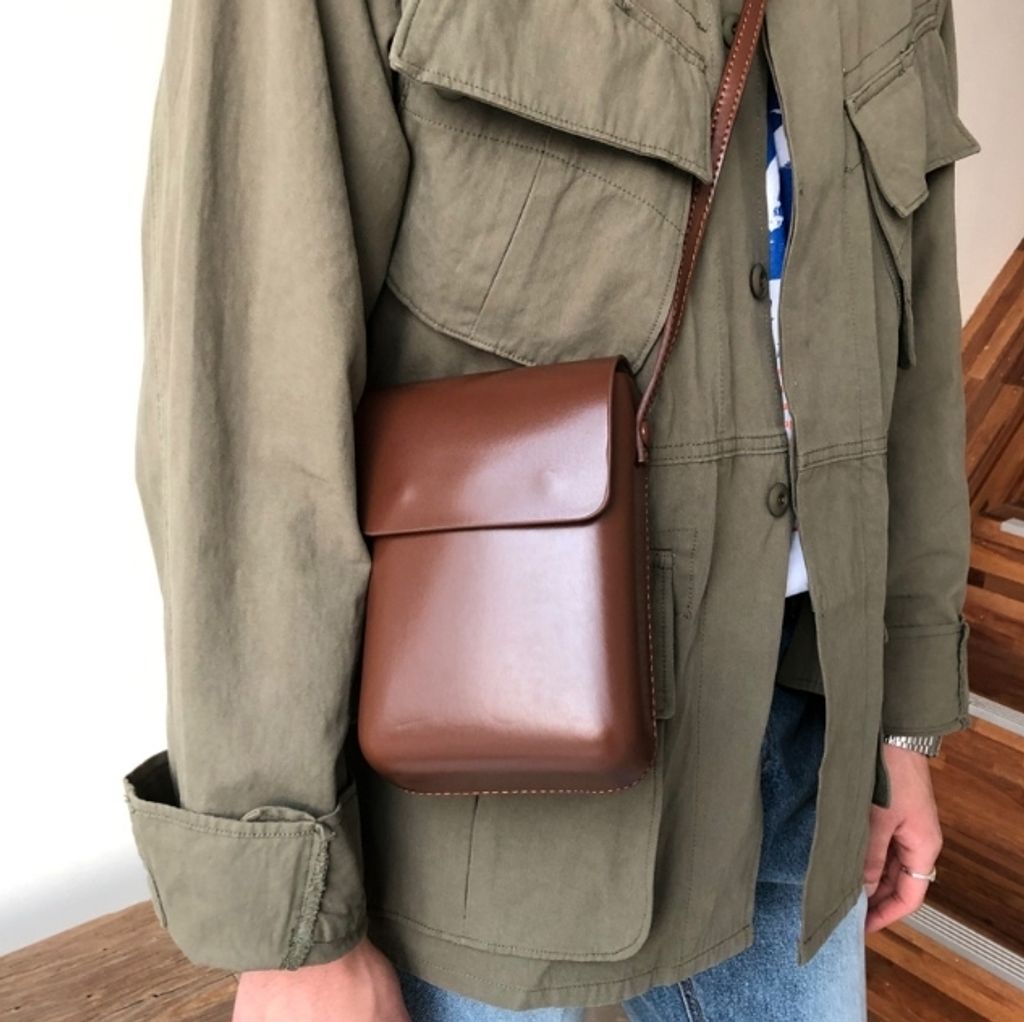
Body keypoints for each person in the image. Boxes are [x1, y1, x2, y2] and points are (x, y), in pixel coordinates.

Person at [121, 2, 980, 1020]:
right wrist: (292, 930)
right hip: (481, 780)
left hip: (804, 739)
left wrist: (900, 727)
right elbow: (252, 384)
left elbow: (915, 352)